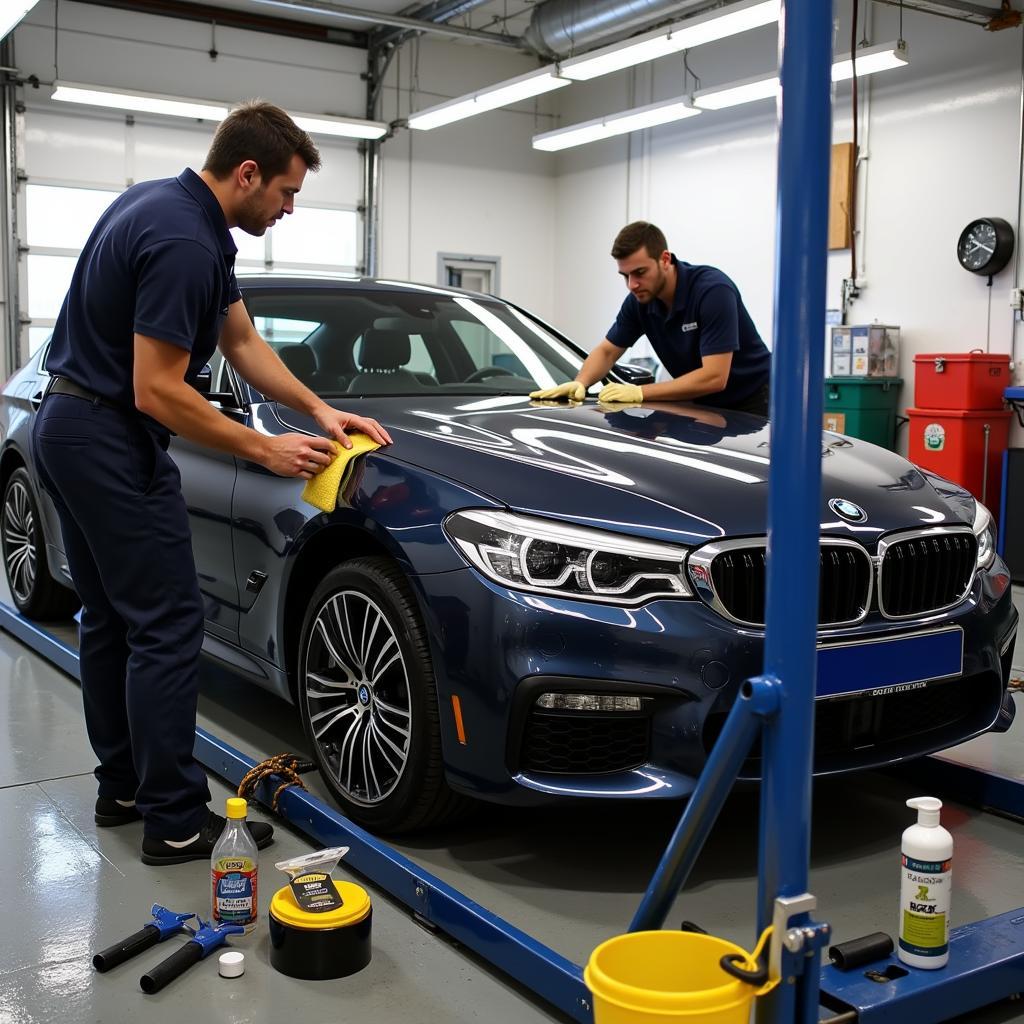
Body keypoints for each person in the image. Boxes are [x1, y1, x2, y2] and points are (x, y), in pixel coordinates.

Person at [31, 100, 392, 866]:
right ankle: (173, 820)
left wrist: (322, 410)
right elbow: (157, 389)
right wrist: (264, 450)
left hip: (68, 426)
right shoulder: (182, 241)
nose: (290, 210)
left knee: (111, 619)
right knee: (167, 624)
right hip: (108, 437)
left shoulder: (171, 211)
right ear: (249, 172)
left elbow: (241, 340)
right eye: (287, 194)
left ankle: (124, 787)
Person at [531, 221, 772, 416]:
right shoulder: (639, 302)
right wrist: (581, 383)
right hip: (705, 405)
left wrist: (639, 392)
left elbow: (714, 377)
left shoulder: (712, 291)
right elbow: (607, 351)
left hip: (757, 400)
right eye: (624, 276)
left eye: (640, 273)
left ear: (665, 260)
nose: (632, 284)